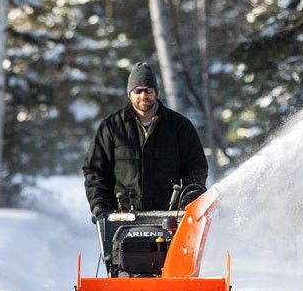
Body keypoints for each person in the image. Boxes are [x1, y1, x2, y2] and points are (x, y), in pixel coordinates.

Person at [83, 61, 209, 220]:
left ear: (156, 92)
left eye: (148, 90)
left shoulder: (179, 126)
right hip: (122, 219)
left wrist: (190, 197)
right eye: (138, 90)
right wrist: (99, 203)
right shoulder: (111, 127)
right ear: (130, 93)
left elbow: (196, 167)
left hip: (169, 219)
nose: (143, 95)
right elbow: (95, 170)